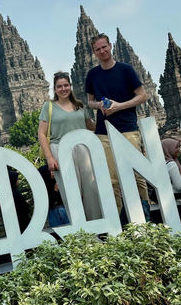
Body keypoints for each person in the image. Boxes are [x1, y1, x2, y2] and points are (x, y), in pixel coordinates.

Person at [84, 33, 151, 223]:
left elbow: (142, 96)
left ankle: (144, 217)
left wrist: (118, 106)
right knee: (111, 179)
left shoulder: (126, 70)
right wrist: (100, 106)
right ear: (94, 52)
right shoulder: (92, 75)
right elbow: (90, 102)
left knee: (137, 173)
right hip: (103, 131)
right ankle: (119, 222)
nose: (102, 51)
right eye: (98, 49)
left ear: (110, 46)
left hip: (127, 127)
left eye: (104, 47)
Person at [38, 71, 101, 220]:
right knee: (71, 191)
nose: (63, 89)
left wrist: (107, 115)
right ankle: (80, 229)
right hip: (60, 149)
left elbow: (91, 126)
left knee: (92, 189)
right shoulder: (49, 107)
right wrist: (49, 158)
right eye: (59, 86)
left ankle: (96, 226)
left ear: (70, 86)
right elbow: (42, 133)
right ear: (54, 89)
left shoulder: (79, 106)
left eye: (66, 85)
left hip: (83, 148)